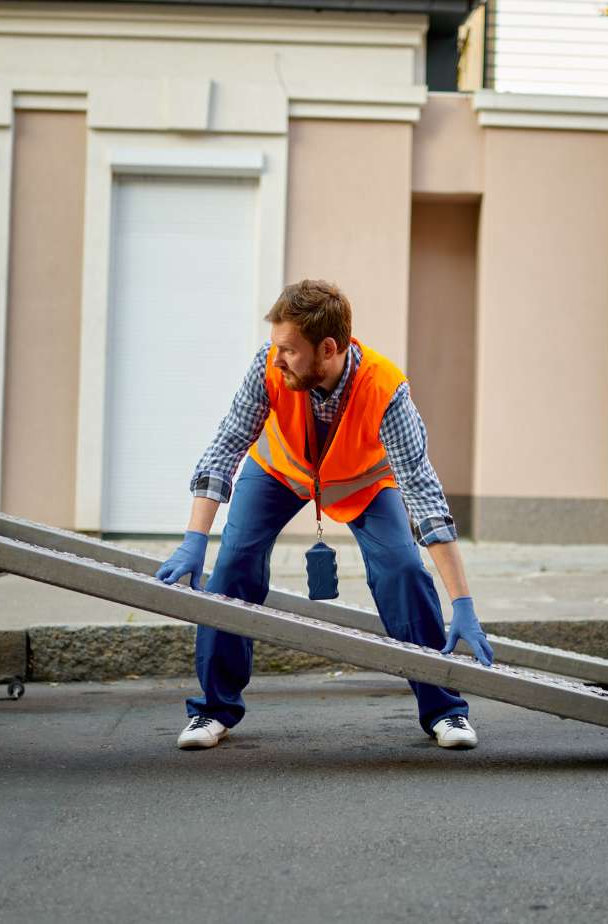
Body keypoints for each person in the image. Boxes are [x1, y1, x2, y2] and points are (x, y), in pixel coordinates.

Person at [155, 279, 494, 751]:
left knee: (402, 569)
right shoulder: (266, 367)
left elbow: (423, 494)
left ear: (328, 349)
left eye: (289, 350)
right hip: (280, 471)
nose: (277, 359)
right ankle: (213, 710)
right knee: (233, 562)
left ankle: (444, 709)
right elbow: (227, 444)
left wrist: (462, 604)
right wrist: (195, 537)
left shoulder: (386, 389)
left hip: (364, 483)